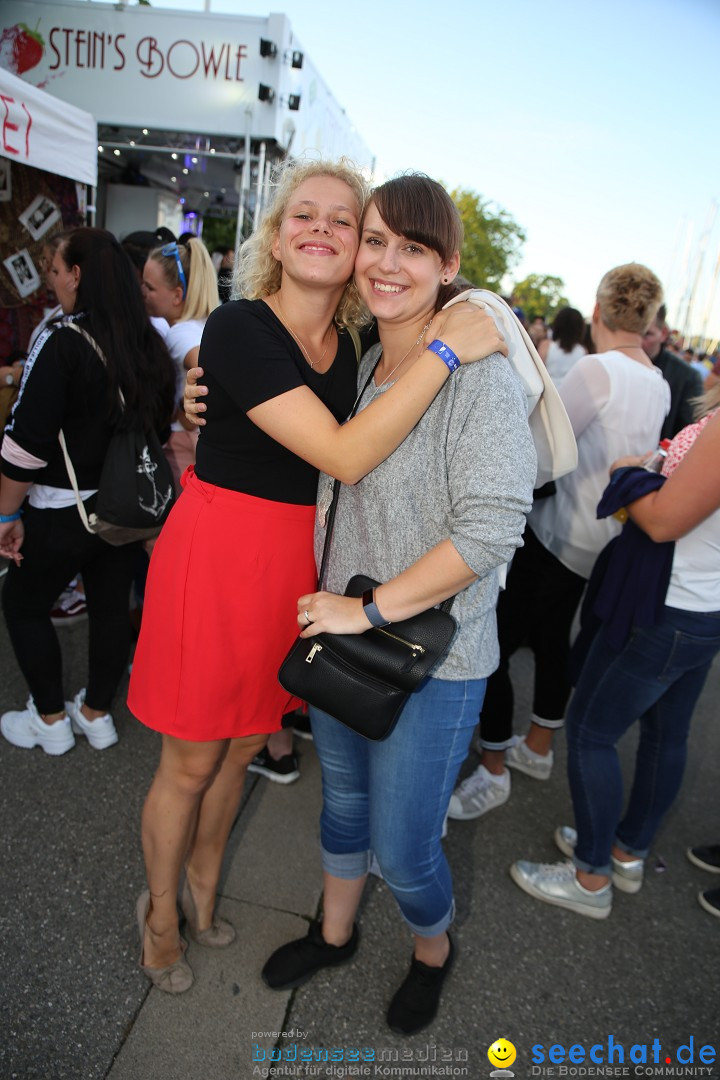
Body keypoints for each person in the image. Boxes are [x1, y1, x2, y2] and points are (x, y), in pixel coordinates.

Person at [127, 159, 505, 996]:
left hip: (298, 571)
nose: (323, 230)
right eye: (306, 214)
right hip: (220, 556)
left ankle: (204, 887)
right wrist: (448, 348)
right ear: (277, 232)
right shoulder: (235, 327)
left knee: (237, 758)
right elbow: (342, 451)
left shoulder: (359, 348)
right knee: (189, 761)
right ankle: (159, 913)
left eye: (346, 221)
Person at [258, 174, 536, 1035]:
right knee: (341, 806)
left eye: (412, 247)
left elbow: (491, 532)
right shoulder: (370, 357)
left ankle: (431, 951)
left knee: (408, 848)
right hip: (348, 641)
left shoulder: (476, 378)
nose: (386, 262)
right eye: (374, 239)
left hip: (435, 659)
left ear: (447, 266)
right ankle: (336, 932)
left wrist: (364, 612)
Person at [449, 263, 670, 822]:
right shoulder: (659, 380)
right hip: (603, 538)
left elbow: (540, 445)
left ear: (598, 311)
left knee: (494, 647)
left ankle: (494, 766)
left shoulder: (599, 370)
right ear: (647, 320)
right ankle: (539, 748)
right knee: (552, 643)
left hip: (556, 533)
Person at [510, 398, 720, 919]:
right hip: (700, 604)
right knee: (665, 734)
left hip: (667, 604)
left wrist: (627, 472)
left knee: (589, 732)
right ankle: (624, 852)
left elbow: (664, 521)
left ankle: (590, 874)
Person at [0, 228, 175, 756]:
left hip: (61, 508)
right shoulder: (149, 342)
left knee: (22, 603)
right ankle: (96, 714)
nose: (52, 279)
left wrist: (4, 515)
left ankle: (51, 720)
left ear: (77, 275)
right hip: (123, 510)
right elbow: (160, 431)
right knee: (107, 606)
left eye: (54, 269)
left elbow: (24, 446)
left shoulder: (63, 341)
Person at [141, 237, 220, 489]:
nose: (142, 293)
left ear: (177, 295)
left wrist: (184, 410)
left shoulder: (179, 332)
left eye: (149, 287)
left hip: (181, 444)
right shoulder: (204, 324)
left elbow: (213, 369)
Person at [642, 304, 703, 439]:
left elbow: (685, 436)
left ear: (663, 333)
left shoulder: (688, 378)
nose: (638, 342)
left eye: (647, 334)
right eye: (634, 333)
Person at [539, 306, 586, 384]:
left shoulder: (546, 345)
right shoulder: (582, 351)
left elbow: (537, 374)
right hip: (571, 392)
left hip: (550, 393)